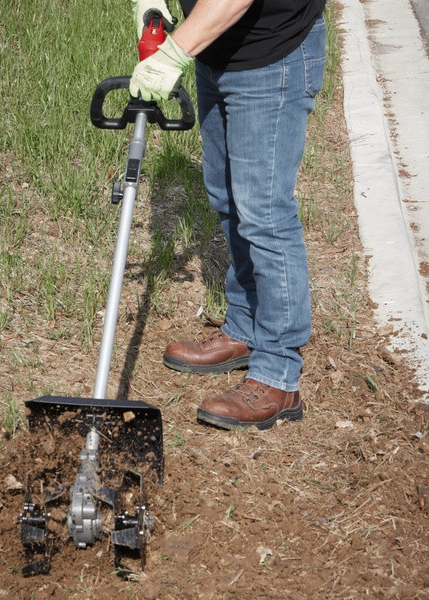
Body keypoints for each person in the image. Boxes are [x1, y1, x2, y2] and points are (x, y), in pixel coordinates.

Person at [129, 0, 327, 430]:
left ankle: (278, 374)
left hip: (272, 53)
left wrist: (175, 51)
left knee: (265, 216)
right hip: (215, 49)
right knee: (227, 198)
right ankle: (246, 329)